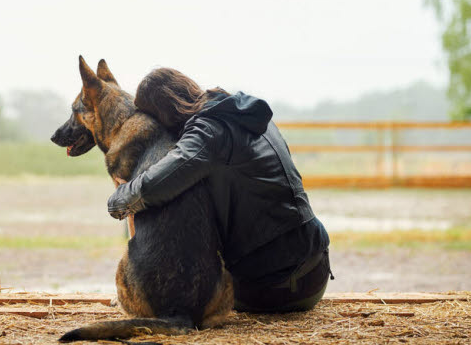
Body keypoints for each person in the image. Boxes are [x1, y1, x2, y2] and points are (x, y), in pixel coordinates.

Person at [107, 68, 332, 313]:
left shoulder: (208, 133)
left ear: (162, 113)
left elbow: (153, 187)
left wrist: (119, 197)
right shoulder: (241, 111)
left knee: (187, 301)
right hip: (314, 267)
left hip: (279, 286)